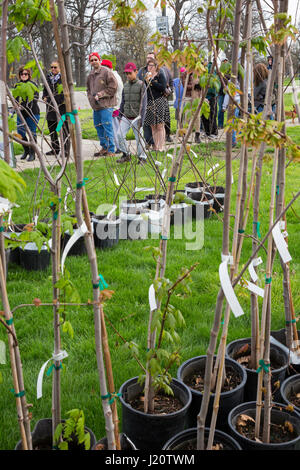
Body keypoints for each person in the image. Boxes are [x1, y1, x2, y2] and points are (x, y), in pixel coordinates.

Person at [86, 52, 118, 156]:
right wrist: (91, 98)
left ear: (99, 60)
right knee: (98, 127)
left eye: (96, 59)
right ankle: (104, 147)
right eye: (92, 60)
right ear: (90, 62)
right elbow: (88, 89)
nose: (94, 62)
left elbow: (113, 87)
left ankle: (111, 149)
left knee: (107, 127)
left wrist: (101, 94)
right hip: (96, 107)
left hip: (106, 106)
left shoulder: (106, 72)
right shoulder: (90, 75)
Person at [116, 62, 147, 164]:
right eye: (126, 73)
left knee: (139, 139)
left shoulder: (141, 85)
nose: (128, 75)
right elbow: (123, 102)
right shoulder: (125, 86)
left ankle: (142, 158)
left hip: (137, 117)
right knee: (119, 135)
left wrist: (141, 119)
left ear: (136, 72)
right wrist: (120, 114)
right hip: (126, 116)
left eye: (130, 73)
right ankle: (126, 154)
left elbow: (144, 104)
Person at [42, 60, 69, 157]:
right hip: (50, 108)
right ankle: (55, 148)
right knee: (52, 129)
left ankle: (66, 149)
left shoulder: (63, 78)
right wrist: (44, 97)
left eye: (55, 67)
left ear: (60, 68)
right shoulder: (48, 77)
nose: (53, 69)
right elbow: (45, 89)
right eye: (52, 67)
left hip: (61, 108)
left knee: (64, 129)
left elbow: (66, 92)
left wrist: (60, 101)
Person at [14, 66, 40, 162]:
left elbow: (35, 98)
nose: (24, 75)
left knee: (32, 133)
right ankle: (26, 150)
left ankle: (33, 153)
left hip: (32, 112)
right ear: (19, 75)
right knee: (20, 132)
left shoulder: (33, 85)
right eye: (22, 74)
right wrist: (16, 105)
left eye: (26, 74)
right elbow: (15, 98)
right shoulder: (17, 85)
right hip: (21, 113)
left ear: (29, 75)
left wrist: (24, 105)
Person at [143, 58, 168, 152]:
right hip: (149, 102)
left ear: (156, 66)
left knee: (160, 125)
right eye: (148, 66)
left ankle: (161, 146)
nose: (149, 67)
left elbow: (162, 87)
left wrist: (151, 81)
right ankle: (155, 146)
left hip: (159, 101)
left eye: (151, 65)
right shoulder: (146, 76)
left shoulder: (160, 75)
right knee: (153, 125)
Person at [101, 58, 123, 154]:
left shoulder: (113, 77)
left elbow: (115, 92)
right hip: (114, 105)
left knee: (114, 127)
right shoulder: (113, 75)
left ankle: (119, 146)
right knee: (114, 127)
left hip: (114, 106)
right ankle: (118, 146)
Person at [138, 52, 156, 147]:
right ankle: (148, 141)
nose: (149, 59)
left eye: (151, 58)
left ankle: (155, 142)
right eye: (147, 57)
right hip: (144, 98)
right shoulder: (142, 71)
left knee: (154, 122)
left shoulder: (158, 70)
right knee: (145, 122)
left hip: (154, 99)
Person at [178, 67, 202, 143]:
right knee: (187, 116)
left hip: (197, 97)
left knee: (197, 117)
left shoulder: (199, 73)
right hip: (188, 98)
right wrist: (194, 86)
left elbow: (203, 84)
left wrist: (200, 86)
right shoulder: (185, 74)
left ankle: (197, 135)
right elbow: (185, 85)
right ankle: (185, 136)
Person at [201, 61, 220, 138]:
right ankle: (207, 132)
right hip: (204, 97)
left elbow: (214, 87)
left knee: (212, 114)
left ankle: (214, 132)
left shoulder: (211, 71)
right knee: (204, 115)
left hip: (211, 97)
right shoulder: (203, 72)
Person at [218, 58, 228, 129]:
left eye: (226, 62)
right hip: (221, 93)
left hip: (229, 93)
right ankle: (220, 124)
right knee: (221, 109)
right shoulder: (219, 72)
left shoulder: (230, 72)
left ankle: (229, 124)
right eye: (223, 62)